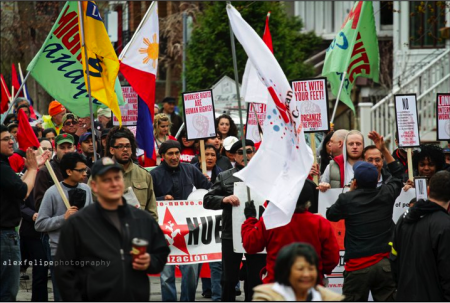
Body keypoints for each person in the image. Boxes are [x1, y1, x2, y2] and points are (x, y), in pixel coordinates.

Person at [54, 157, 170, 301]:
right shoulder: (78, 223)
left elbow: (161, 253)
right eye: (106, 180)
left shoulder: (142, 219)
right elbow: (63, 270)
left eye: (117, 178)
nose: (114, 184)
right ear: (94, 186)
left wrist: (150, 261)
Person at [326, 161, 402, 301]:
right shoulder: (386, 193)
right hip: (384, 264)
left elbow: (331, 215)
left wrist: (350, 192)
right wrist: (384, 150)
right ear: (376, 180)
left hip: (357, 267)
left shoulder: (347, 199)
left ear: (355, 182)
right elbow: (398, 176)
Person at [242, 179, 339, 285]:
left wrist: (250, 219)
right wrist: (317, 269)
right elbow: (332, 258)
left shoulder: (270, 221)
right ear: (307, 201)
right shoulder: (320, 223)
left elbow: (251, 244)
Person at [204, 139, 266, 301]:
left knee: (255, 279)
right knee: (229, 279)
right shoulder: (225, 176)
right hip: (231, 234)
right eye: (241, 153)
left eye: (250, 151)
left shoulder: (265, 176)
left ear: (254, 153)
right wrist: (224, 199)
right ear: (234, 156)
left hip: (257, 233)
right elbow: (207, 199)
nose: (246, 156)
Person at [150, 140, 212, 301]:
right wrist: (162, 199)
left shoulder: (191, 170)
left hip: (191, 230)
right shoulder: (154, 175)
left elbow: (209, 189)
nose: (174, 157)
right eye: (170, 153)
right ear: (162, 156)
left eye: (177, 153)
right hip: (165, 231)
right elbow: (147, 199)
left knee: (191, 272)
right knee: (166, 275)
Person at [35, 152, 93, 301]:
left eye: (85, 169)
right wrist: (64, 218)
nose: (85, 173)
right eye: (80, 170)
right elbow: (40, 224)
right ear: (68, 171)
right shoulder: (52, 193)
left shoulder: (86, 189)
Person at [0, 125, 49, 301]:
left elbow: (16, 190)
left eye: (10, 138)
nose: (11, 141)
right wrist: (34, 169)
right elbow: (23, 192)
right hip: (5, 236)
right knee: (6, 292)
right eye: (5, 139)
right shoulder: (2, 167)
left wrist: (32, 168)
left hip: (6, 235)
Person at [390, 170, 450, 301]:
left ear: (428, 190)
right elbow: (447, 272)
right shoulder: (445, 225)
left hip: (405, 295)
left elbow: (393, 259)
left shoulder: (403, 218)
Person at [252, 243, 344, 301]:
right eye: (300, 269)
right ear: (286, 271)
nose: (307, 274)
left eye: (311, 269)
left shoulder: (331, 298)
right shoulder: (266, 297)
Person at [102, 127, 158, 219]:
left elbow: (152, 212)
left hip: (138, 230)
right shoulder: (100, 175)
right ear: (112, 150)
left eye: (128, 146)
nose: (125, 150)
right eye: (120, 146)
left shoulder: (144, 175)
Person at [34, 133, 75, 211]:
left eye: (69, 147)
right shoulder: (45, 172)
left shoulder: (83, 170)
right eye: (62, 148)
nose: (66, 151)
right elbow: (40, 204)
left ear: (74, 148)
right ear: (55, 149)